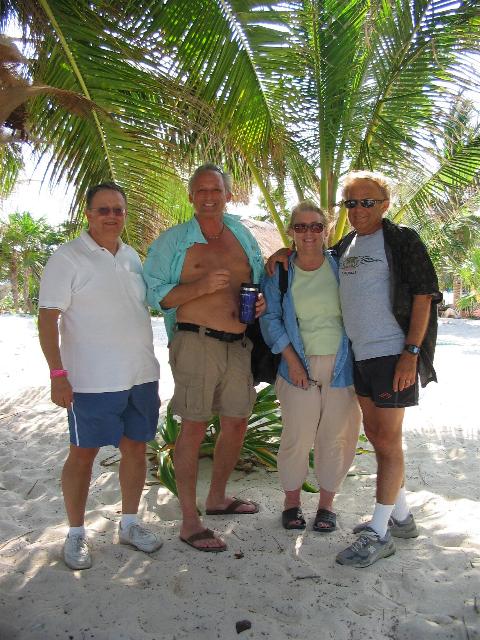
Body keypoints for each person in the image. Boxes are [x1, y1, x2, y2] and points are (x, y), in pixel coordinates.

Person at [267, 170, 441, 568]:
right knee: (379, 438)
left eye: (368, 201)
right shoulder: (345, 246)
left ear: (385, 203)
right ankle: (400, 517)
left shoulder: (401, 240)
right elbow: (308, 257)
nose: (359, 209)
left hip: (392, 353)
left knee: (386, 441)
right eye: (351, 203)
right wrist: (281, 254)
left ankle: (379, 534)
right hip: (357, 357)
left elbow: (423, 297)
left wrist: (411, 353)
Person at [38, 182, 163, 570]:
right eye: (103, 209)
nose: (112, 216)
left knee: (136, 450)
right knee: (83, 454)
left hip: (140, 375)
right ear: (88, 214)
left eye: (118, 210)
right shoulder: (67, 258)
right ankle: (76, 533)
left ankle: (129, 523)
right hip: (90, 381)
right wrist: (58, 373)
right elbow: (47, 318)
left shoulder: (131, 257)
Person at [143, 163, 265, 552]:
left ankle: (216, 498)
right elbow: (154, 295)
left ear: (229, 195)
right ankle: (189, 520)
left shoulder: (242, 235)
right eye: (201, 190)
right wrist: (197, 287)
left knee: (237, 422)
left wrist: (260, 302)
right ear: (190, 197)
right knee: (194, 427)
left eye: (216, 190)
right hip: (195, 343)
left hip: (238, 343)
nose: (209, 197)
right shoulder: (175, 240)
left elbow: (257, 279)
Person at [260, 202, 361, 533]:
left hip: (341, 364)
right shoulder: (279, 271)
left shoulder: (342, 267)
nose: (308, 233)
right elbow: (270, 319)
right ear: (290, 231)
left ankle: (326, 506)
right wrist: (292, 360)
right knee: (297, 436)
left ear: (326, 230)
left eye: (315, 226)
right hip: (296, 365)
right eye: (300, 227)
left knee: (335, 437)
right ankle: (292, 504)